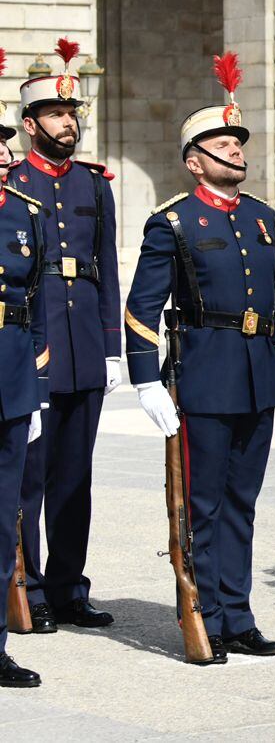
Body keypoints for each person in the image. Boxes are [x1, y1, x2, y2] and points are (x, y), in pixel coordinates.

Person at [124, 53, 275, 661]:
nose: (236, 151)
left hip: (256, 374)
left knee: (243, 501)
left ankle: (239, 614)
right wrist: (146, 381)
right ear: (195, 159)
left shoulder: (263, 219)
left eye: (238, 141)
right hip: (203, 371)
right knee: (202, 503)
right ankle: (204, 614)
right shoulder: (172, 222)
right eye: (221, 143)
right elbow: (142, 308)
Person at [12, 40, 120, 633]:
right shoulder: (14, 186)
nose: (68, 123)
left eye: (72, 114)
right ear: (31, 125)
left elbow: (106, 264)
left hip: (83, 343)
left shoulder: (94, 184)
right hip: (37, 341)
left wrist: (112, 347)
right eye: (56, 115)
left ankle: (69, 586)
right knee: (31, 472)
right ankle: (27, 588)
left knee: (76, 476)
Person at [0, 106, 50, 686]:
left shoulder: (23, 212)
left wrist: (35, 390)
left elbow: (35, 304)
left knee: (0, 519)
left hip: (11, 377)